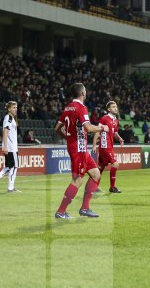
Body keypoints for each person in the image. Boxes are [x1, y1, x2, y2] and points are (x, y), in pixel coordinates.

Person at [53, 83, 110, 219]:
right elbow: (89, 128)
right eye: (85, 91)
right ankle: (60, 211)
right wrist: (103, 128)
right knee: (77, 180)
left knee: (96, 174)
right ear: (83, 93)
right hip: (78, 148)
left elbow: (57, 128)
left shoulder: (67, 107)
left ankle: (85, 208)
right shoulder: (80, 107)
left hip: (80, 148)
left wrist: (67, 136)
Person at [92, 101, 124, 194]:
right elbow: (97, 131)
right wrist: (94, 145)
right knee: (115, 164)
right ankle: (112, 187)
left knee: (100, 168)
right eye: (113, 107)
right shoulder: (105, 118)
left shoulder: (115, 120)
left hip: (109, 146)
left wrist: (120, 138)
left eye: (116, 107)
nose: (115, 108)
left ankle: (93, 187)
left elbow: (114, 133)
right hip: (105, 146)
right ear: (108, 109)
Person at [0, 101, 21, 193]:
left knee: (10, 166)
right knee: (14, 166)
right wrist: (5, 146)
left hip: (12, 146)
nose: (15, 109)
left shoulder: (12, 118)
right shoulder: (8, 118)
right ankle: (10, 187)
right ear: (9, 109)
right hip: (11, 147)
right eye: (13, 107)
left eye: (16, 107)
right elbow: (5, 132)